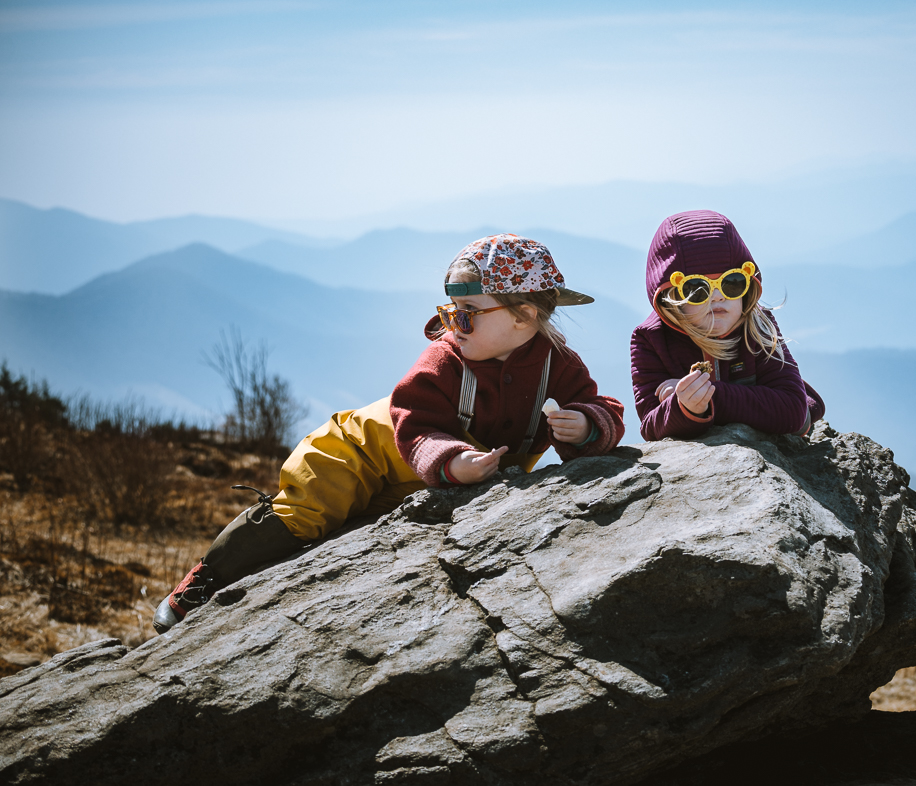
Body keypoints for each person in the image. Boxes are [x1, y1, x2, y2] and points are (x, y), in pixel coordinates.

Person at [154, 234, 625, 633]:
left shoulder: (558, 365)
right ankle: (206, 581)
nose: (452, 325)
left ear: (522, 316)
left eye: (467, 313)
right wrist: (452, 461)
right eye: (450, 311)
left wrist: (585, 426)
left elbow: (601, 408)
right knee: (306, 512)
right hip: (360, 452)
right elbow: (415, 421)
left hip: (416, 486)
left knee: (342, 537)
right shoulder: (444, 361)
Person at [630, 209, 824, 441]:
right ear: (670, 298)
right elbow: (650, 427)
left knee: (800, 411)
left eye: (732, 282)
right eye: (697, 289)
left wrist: (711, 396)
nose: (718, 296)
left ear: (748, 285)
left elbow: (792, 410)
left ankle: (803, 393)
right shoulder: (651, 340)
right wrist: (684, 406)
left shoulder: (757, 324)